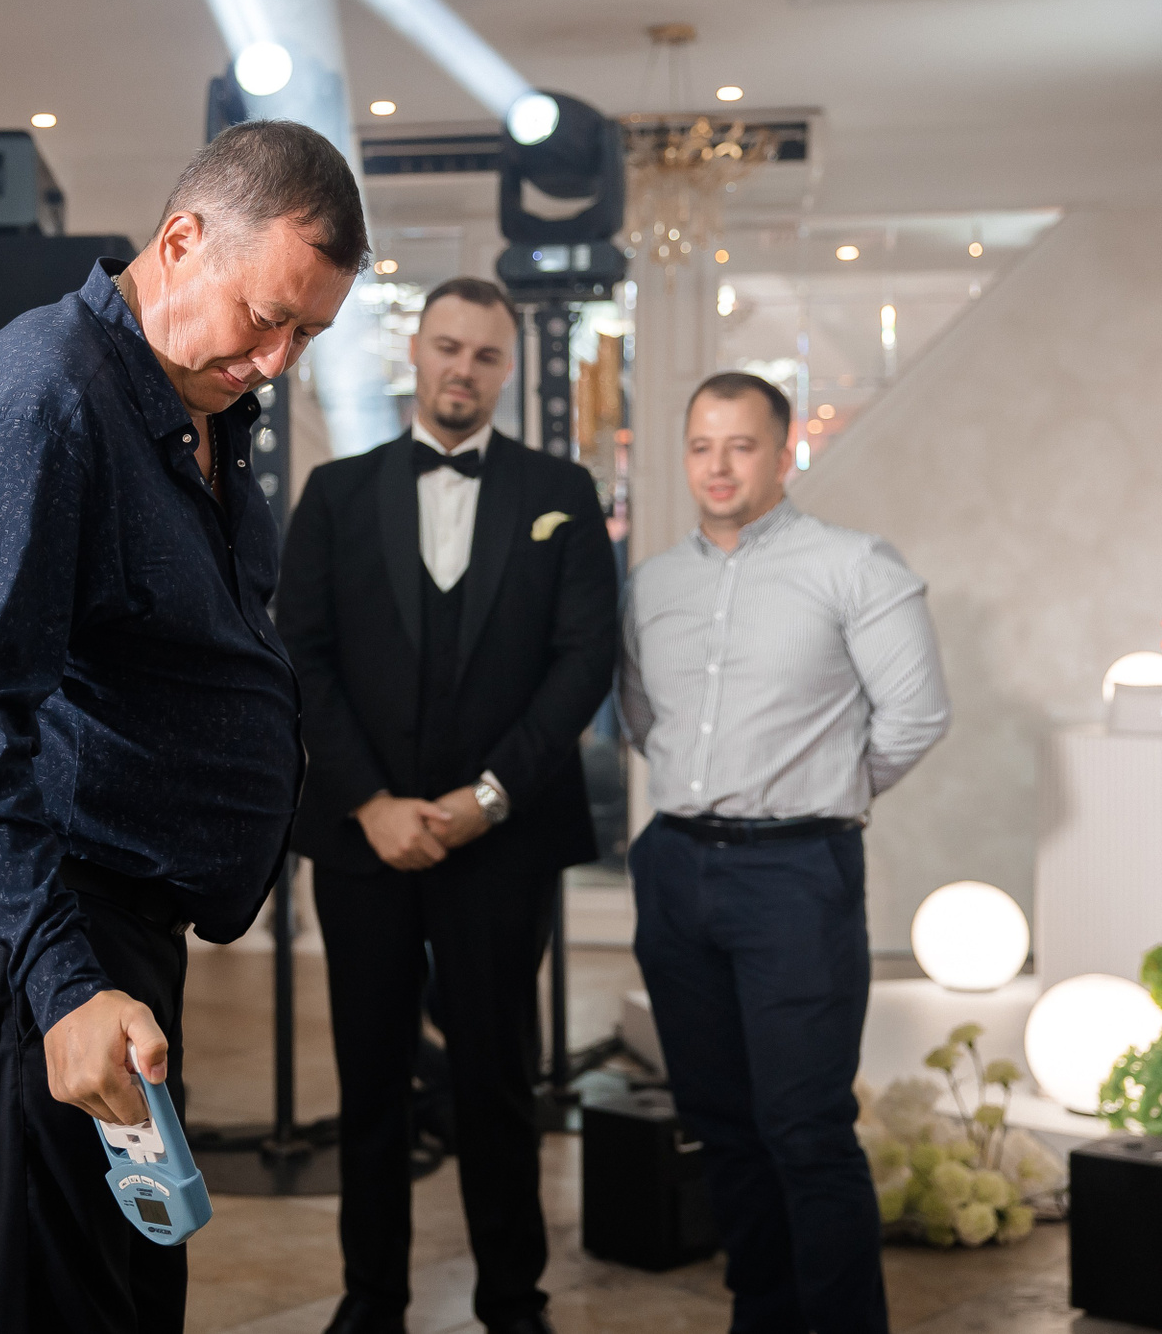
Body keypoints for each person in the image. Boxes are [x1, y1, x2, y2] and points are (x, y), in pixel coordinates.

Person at [0, 119, 365, 1334]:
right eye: (266, 317)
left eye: (308, 336)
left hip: (119, 932)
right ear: (183, 240)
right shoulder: (42, 395)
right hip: (32, 930)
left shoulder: (203, 404)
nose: (276, 359)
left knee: (134, 1301)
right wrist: (64, 985)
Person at [275, 278, 618, 1334]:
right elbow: (302, 657)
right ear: (415, 353)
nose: (463, 369)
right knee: (371, 1079)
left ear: (507, 370)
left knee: (499, 1078)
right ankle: (371, 1297)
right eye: (447, 347)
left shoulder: (560, 490)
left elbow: (583, 663)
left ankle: (513, 1299)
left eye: (485, 354)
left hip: (502, 842)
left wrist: (490, 796)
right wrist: (370, 802)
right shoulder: (336, 493)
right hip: (363, 839)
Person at [618, 373, 950, 1334]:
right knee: (721, 1126)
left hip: (797, 876)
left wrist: (823, 791)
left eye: (741, 445)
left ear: (784, 450)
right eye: (701, 446)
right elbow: (643, 717)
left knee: (806, 1129)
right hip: (675, 868)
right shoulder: (653, 584)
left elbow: (916, 715)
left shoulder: (854, 566)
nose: (718, 466)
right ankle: (761, 1318)